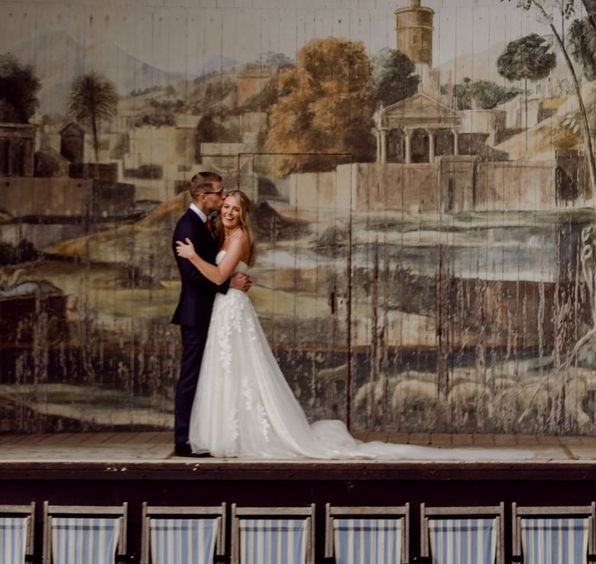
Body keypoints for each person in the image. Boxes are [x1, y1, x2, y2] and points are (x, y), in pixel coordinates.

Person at [176, 189, 533, 461]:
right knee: (226, 371)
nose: (228, 212)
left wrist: (195, 258)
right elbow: (221, 275)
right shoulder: (217, 233)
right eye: (225, 208)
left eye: (235, 209)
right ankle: (225, 431)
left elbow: (221, 273)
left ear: (243, 216)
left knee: (241, 370)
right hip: (223, 309)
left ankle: (248, 432)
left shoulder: (238, 238)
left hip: (233, 310)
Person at [170, 172, 251, 457]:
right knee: (191, 376)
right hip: (196, 315)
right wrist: (229, 283)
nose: (223, 196)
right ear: (205, 197)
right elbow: (191, 276)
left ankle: (206, 433)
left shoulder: (209, 224)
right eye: (220, 192)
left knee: (212, 375)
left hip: (215, 314)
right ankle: (183, 441)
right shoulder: (186, 227)